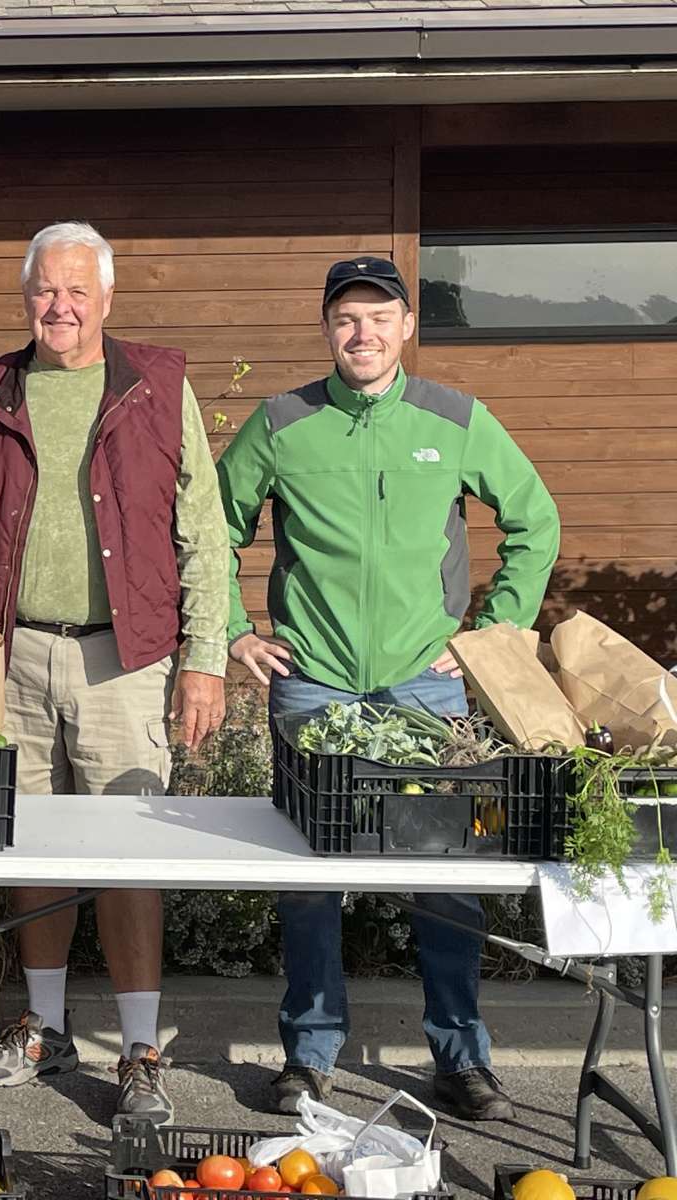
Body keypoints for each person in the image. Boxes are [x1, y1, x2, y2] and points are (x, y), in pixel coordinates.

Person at [218, 256, 560, 1121]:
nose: (362, 333)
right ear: (326, 329)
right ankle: (309, 1056)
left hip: (426, 687)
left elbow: (535, 520)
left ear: (407, 326)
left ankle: (460, 1057)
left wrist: (492, 634)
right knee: (309, 879)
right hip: (314, 685)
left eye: (379, 317)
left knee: (448, 877)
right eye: (345, 319)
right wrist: (231, 630)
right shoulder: (282, 421)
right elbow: (210, 528)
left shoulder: (454, 418)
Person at [0, 221, 229, 1123]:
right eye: (45, 290)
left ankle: (140, 1047)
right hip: (14, 652)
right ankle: (43, 1026)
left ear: (108, 299)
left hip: (125, 656)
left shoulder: (158, 384)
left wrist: (204, 660)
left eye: (77, 291)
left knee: (125, 855)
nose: (60, 306)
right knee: (30, 844)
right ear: (25, 296)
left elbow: (204, 533)